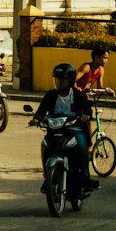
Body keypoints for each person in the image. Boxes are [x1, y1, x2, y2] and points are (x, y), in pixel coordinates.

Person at [31, 63, 99, 192]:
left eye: (63, 79)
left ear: (71, 80)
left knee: (82, 147)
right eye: (57, 79)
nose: (59, 82)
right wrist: (36, 119)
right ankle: (48, 178)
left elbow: (87, 109)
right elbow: (41, 110)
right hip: (55, 130)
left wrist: (86, 116)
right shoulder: (51, 95)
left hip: (74, 129)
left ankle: (85, 177)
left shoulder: (79, 95)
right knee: (45, 145)